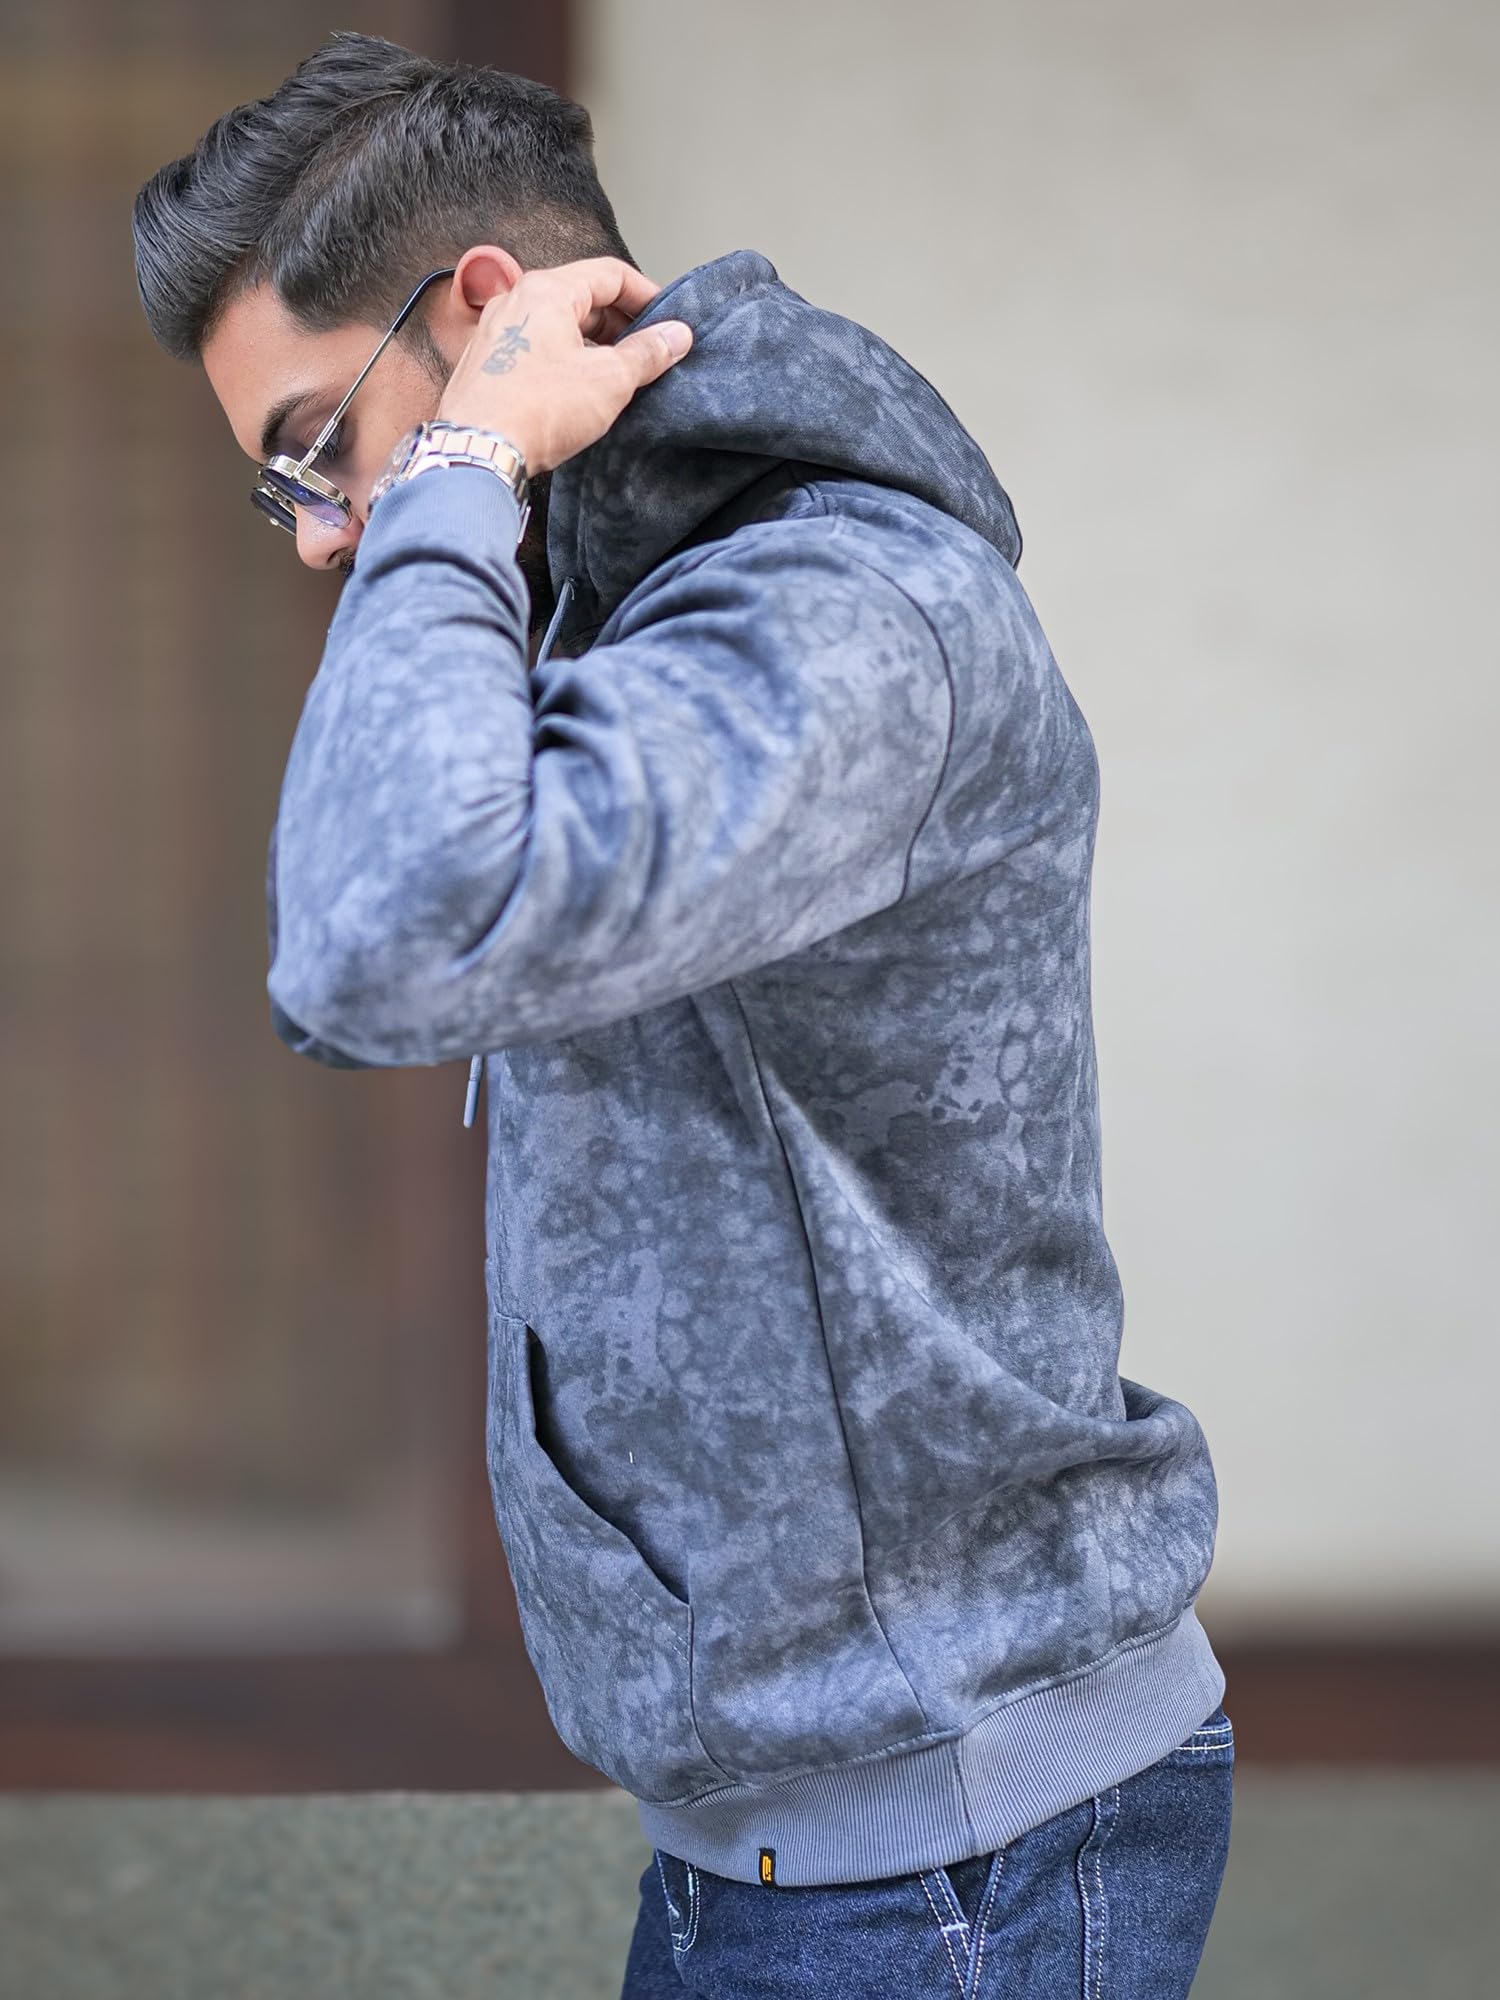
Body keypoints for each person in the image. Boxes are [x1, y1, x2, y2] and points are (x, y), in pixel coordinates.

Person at [133, 29, 1233, 1998]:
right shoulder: (624, 614)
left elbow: (384, 934)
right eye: (278, 490)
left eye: (319, 445)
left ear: (488, 319)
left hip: (952, 1856)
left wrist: (458, 463)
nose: (317, 531)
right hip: (801, 1842)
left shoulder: (843, 616)